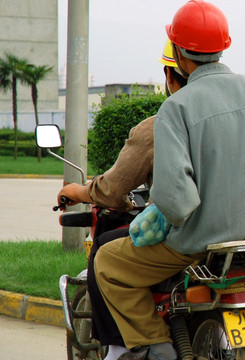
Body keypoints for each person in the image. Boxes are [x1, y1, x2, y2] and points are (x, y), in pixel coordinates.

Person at [93, 1, 245, 360]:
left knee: (108, 262)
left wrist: (165, 219)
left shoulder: (176, 108)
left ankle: (153, 342)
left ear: (179, 54)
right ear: (223, 46)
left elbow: (175, 200)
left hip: (197, 246)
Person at [56, 40, 187, 360]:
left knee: (106, 255)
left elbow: (113, 190)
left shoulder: (162, 125)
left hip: (194, 238)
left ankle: (124, 347)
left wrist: (82, 191)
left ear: (171, 77)